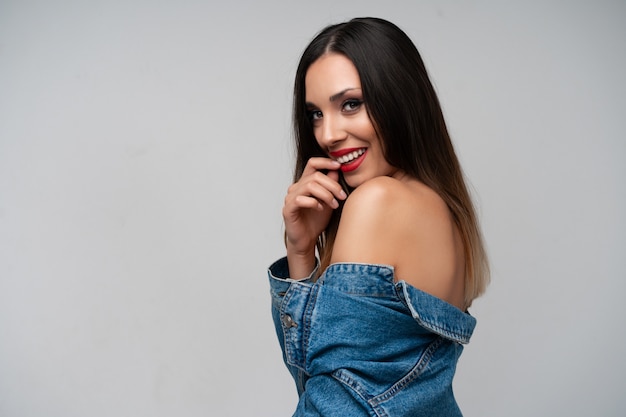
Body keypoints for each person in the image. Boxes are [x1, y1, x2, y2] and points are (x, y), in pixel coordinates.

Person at [268, 17, 489, 417]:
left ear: (399, 99)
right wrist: (301, 252)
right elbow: (325, 386)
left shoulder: (378, 201)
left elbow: (327, 404)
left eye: (350, 104)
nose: (327, 134)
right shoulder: (439, 209)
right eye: (316, 113)